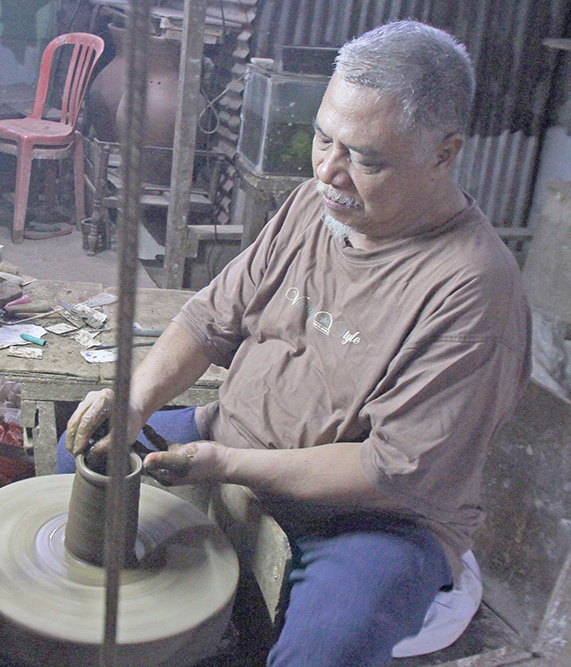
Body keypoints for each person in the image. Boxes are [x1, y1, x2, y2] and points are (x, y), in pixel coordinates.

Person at [57, 20, 532, 667]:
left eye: (365, 157)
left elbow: (386, 470)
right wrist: (135, 400)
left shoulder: (474, 289)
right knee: (82, 455)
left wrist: (225, 463)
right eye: (322, 138)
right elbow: (207, 319)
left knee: (320, 651)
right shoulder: (319, 205)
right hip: (227, 437)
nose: (330, 171)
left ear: (443, 154)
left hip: (367, 519)